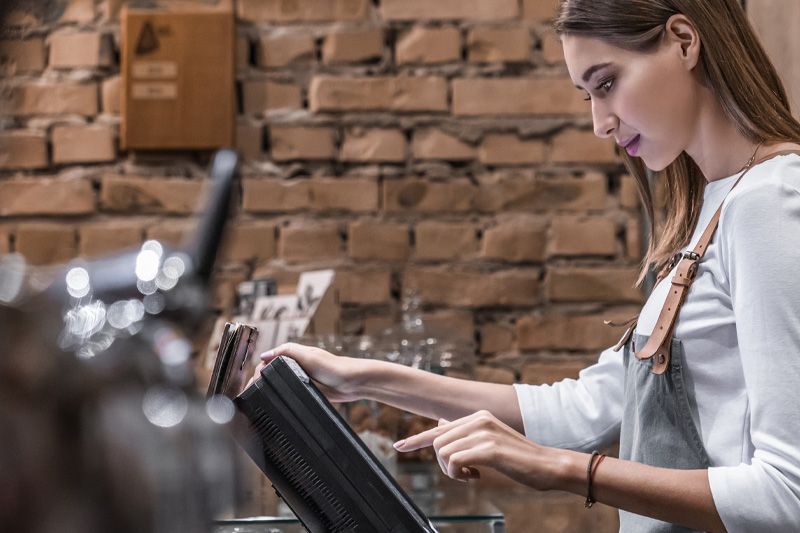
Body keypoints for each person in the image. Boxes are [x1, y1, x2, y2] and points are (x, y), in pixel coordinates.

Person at [254, 0, 800, 531]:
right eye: (587, 94)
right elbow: (584, 408)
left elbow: (787, 494)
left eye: (606, 83)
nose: (599, 124)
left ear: (684, 41)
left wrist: (554, 468)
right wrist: (359, 378)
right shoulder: (717, 209)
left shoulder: (766, 203)